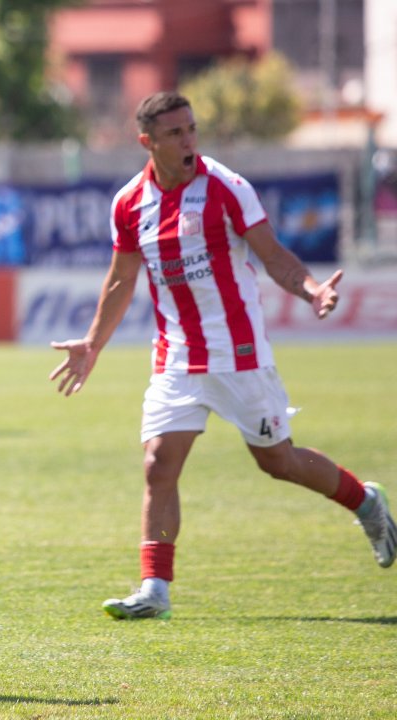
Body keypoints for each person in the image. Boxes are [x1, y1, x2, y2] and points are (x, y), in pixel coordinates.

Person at [49, 91, 396, 621]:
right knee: (158, 463)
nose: (189, 141)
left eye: (191, 129)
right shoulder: (129, 203)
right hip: (175, 357)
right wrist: (93, 343)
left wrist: (311, 290)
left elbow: (273, 255)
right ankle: (154, 589)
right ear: (148, 142)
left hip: (239, 354)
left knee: (277, 461)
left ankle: (366, 502)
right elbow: (122, 279)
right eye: (175, 134)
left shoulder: (227, 188)